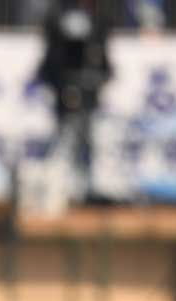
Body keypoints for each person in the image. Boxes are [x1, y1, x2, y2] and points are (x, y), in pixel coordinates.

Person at [36, 0, 112, 203]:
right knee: (62, 138)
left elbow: (102, 53)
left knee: (86, 139)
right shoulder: (59, 13)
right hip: (62, 86)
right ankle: (54, 187)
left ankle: (86, 187)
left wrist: (99, 77)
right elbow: (53, 53)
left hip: (87, 89)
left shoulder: (97, 17)